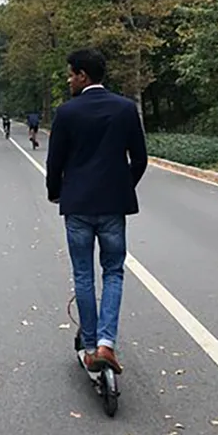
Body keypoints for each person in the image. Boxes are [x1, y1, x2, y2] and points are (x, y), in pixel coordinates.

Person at [45, 48, 147, 374]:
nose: (68, 78)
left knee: (84, 275)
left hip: (77, 206)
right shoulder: (126, 109)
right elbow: (140, 159)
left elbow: (55, 162)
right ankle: (107, 343)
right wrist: (122, 187)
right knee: (114, 271)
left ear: (83, 76)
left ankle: (90, 348)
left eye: (71, 73)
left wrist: (56, 193)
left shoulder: (67, 113)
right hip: (112, 206)